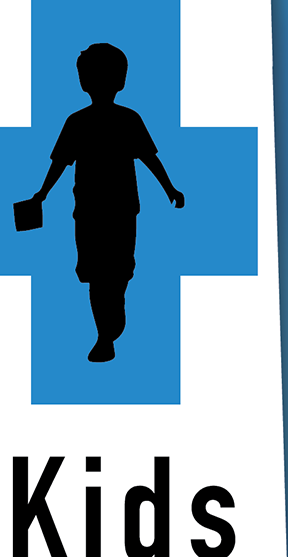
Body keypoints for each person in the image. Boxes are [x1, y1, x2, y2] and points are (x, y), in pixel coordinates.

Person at [16, 40, 184, 364]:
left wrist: (170, 188)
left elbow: (149, 158)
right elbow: (60, 163)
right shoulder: (76, 122)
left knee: (117, 272)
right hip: (89, 211)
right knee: (94, 273)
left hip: (121, 210)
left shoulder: (129, 119)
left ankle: (110, 325)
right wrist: (42, 194)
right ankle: (105, 334)